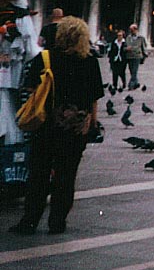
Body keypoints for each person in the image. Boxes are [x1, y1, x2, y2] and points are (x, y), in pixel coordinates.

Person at [10, 17, 104, 235]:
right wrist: (93, 124)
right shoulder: (90, 61)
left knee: (38, 174)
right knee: (66, 175)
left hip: (46, 126)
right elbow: (94, 98)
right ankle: (57, 222)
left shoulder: (45, 58)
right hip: (75, 128)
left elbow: (31, 89)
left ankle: (30, 221)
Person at [124, 23, 148, 89]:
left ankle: (131, 85)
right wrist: (126, 49)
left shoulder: (141, 38)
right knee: (131, 70)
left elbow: (143, 47)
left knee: (134, 70)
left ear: (136, 30)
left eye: (132, 30)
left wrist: (145, 55)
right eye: (130, 30)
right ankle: (136, 83)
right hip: (129, 56)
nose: (131, 31)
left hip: (137, 56)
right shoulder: (128, 38)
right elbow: (124, 47)